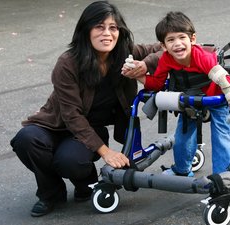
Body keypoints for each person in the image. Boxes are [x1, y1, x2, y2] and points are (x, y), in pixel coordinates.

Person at [10, 1, 161, 217]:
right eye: (99, 27)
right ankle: (50, 193)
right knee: (26, 140)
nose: (107, 33)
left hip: (92, 128)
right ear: (86, 30)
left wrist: (146, 65)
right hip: (56, 125)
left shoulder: (125, 53)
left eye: (113, 27)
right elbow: (71, 115)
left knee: (70, 161)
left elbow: (162, 48)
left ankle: (85, 183)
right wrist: (106, 152)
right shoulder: (68, 63)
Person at [122, 11, 230, 176]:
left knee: (221, 137)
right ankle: (182, 169)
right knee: (182, 137)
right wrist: (139, 76)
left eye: (182, 37)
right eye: (171, 40)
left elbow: (224, 79)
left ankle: (222, 178)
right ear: (164, 46)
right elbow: (157, 83)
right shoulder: (166, 59)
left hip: (216, 100)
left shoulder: (201, 56)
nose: (177, 44)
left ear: (192, 39)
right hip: (190, 101)